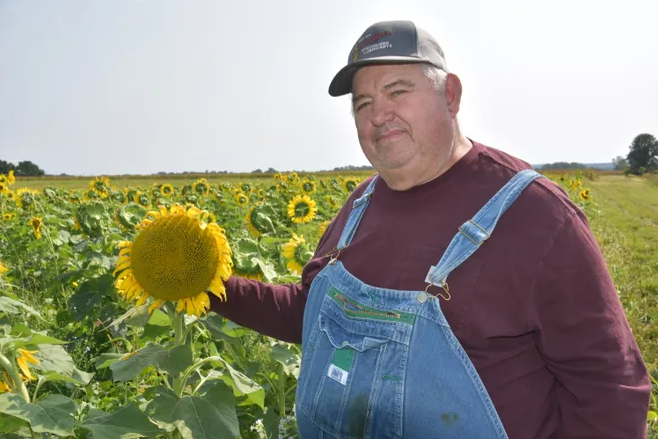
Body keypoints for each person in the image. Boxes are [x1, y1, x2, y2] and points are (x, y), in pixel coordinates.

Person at [210, 20, 651, 438]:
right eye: (362, 104)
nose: (379, 115)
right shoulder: (361, 205)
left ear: (451, 95)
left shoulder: (535, 216)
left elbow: (607, 388)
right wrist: (207, 286)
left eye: (397, 91)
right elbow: (307, 315)